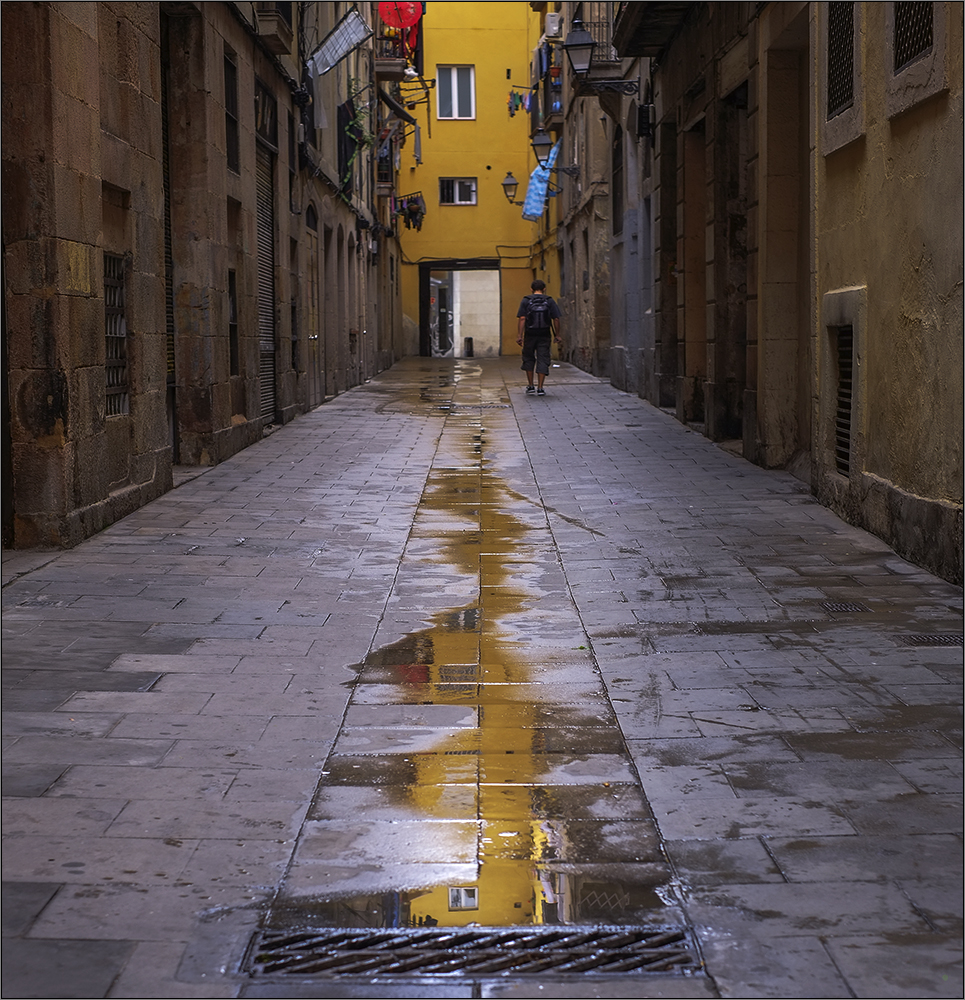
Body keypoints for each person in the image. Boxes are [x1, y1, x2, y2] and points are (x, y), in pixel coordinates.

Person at [516, 279, 562, 395]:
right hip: (544, 333)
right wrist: (557, 334)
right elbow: (556, 318)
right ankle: (540, 387)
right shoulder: (549, 301)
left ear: (531, 289)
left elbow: (522, 318)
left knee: (528, 357)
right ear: (544, 289)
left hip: (530, 334)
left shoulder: (526, 300)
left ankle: (530, 385)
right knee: (543, 358)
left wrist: (519, 335)